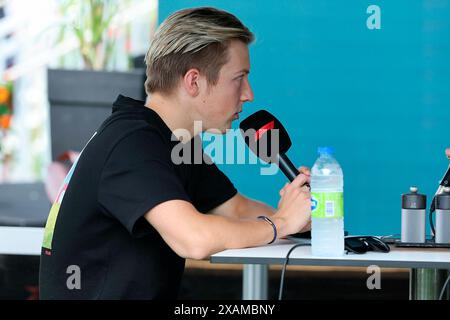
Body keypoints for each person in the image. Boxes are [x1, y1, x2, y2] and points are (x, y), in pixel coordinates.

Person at [39, 7, 311, 299]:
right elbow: (194, 239)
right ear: (194, 81)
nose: (249, 94)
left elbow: (236, 209)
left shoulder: (174, 142)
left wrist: (307, 222)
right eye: (239, 78)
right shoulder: (131, 143)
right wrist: (281, 223)